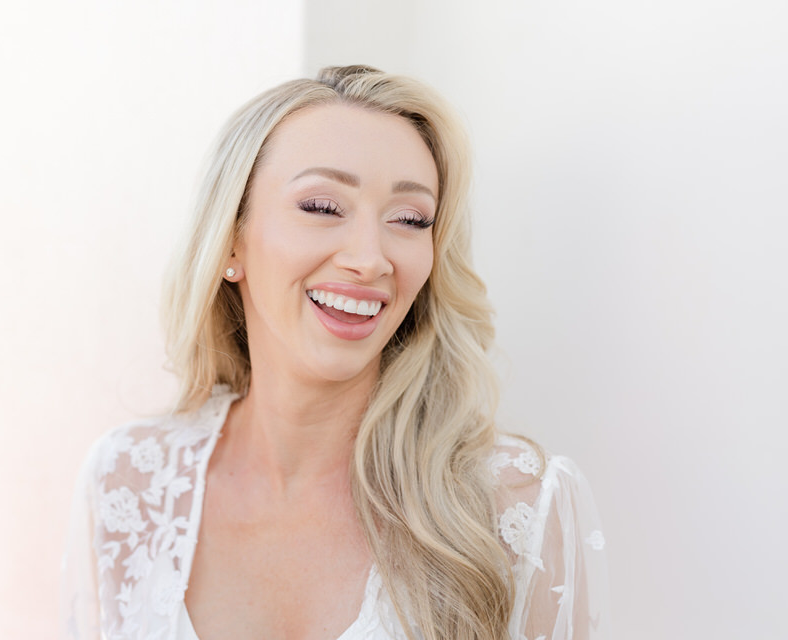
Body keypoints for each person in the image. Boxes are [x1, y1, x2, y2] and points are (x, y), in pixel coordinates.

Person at [61, 65, 608, 640]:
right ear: (230, 241)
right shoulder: (127, 484)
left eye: (410, 219)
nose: (370, 259)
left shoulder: (520, 506)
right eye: (322, 208)